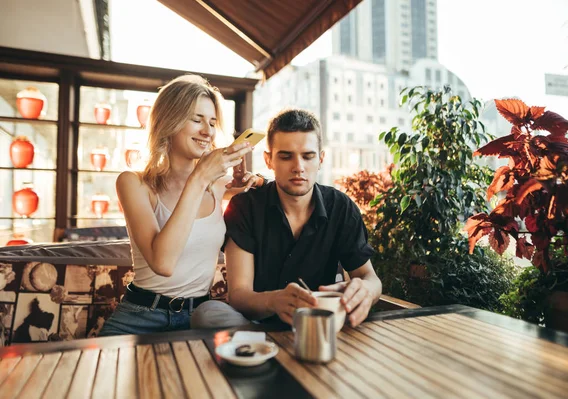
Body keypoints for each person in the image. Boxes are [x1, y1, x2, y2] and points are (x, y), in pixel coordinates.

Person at [99, 75, 258, 336]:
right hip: (141, 316)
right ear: (169, 121)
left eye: (212, 122)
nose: (207, 131)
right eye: (196, 120)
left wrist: (255, 182)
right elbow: (163, 263)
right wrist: (199, 178)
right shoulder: (134, 184)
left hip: (202, 316)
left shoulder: (217, 185)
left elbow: (263, 195)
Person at [220, 108, 382, 328]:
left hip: (317, 325)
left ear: (321, 159)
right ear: (268, 160)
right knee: (211, 314)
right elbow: (239, 294)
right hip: (256, 326)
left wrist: (366, 291)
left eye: (308, 156)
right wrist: (273, 301)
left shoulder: (340, 207)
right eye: (286, 156)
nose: (298, 167)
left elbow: (369, 277)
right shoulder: (245, 207)